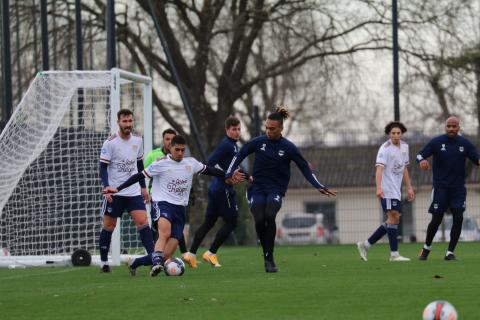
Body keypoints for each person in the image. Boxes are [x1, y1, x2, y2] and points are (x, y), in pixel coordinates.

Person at [103, 135, 245, 277]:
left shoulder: (191, 163)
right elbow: (138, 176)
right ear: (170, 148)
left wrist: (229, 174)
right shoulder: (160, 163)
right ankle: (157, 264)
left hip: (180, 209)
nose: (180, 153)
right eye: (177, 150)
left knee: (166, 255)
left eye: (183, 150)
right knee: (164, 232)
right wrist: (118, 188)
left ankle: (135, 263)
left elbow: (211, 170)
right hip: (162, 204)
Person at [225, 106, 336, 273]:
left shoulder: (289, 147)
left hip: (276, 189)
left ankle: (269, 258)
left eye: (272, 128)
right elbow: (239, 155)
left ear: (281, 128)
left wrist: (319, 186)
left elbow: (305, 168)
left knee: (269, 215)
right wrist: (228, 172)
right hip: (256, 188)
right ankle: (266, 254)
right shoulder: (258, 142)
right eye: (267, 128)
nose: (268, 131)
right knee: (259, 218)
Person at [98, 108, 155, 273]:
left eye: (130, 121)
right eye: (125, 121)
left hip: (133, 192)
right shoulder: (110, 142)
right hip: (115, 192)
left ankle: (154, 258)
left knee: (143, 222)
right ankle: (103, 263)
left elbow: (139, 166)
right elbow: (103, 168)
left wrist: (143, 188)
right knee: (109, 225)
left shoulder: (138, 140)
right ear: (118, 122)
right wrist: (107, 188)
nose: (128, 124)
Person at [183, 116, 243, 268]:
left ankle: (191, 254)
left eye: (238, 129)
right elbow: (210, 162)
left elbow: (233, 168)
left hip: (215, 189)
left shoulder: (233, 146)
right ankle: (211, 253)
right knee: (232, 221)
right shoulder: (227, 145)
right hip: (222, 189)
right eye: (233, 129)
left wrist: (248, 177)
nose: (237, 132)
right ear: (227, 130)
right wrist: (225, 176)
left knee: (209, 222)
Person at [417, 116, 480, 261]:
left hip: (458, 190)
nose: (451, 129)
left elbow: (476, 158)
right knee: (437, 219)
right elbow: (420, 154)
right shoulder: (437, 142)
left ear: (459, 128)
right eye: (449, 126)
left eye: (454, 126)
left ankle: (449, 253)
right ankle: (426, 248)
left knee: (458, 218)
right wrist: (422, 161)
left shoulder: (465, 143)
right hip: (441, 189)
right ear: (445, 127)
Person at [356, 121, 415, 262]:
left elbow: (404, 168)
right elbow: (379, 169)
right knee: (393, 216)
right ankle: (394, 254)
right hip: (387, 189)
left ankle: (365, 245)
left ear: (402, 133)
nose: (396, 135)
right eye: (393, 133)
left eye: (398, 133)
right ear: (389, 134)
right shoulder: (384, 148)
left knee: (393, 219)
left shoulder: (405, 147)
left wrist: (409, 187)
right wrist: (378, 188)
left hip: (396, 190)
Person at [142, 128, 189, 257]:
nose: (169, 142)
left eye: (171, 139)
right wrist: (145, 190)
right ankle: (153, 255)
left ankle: (183, 253)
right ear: (163, 140)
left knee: (176, 228)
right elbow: (143, 174)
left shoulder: (182, 159)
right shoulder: (153, 156)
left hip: (176, 198)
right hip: (158, 197)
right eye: (167, 139)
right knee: (159, 229)